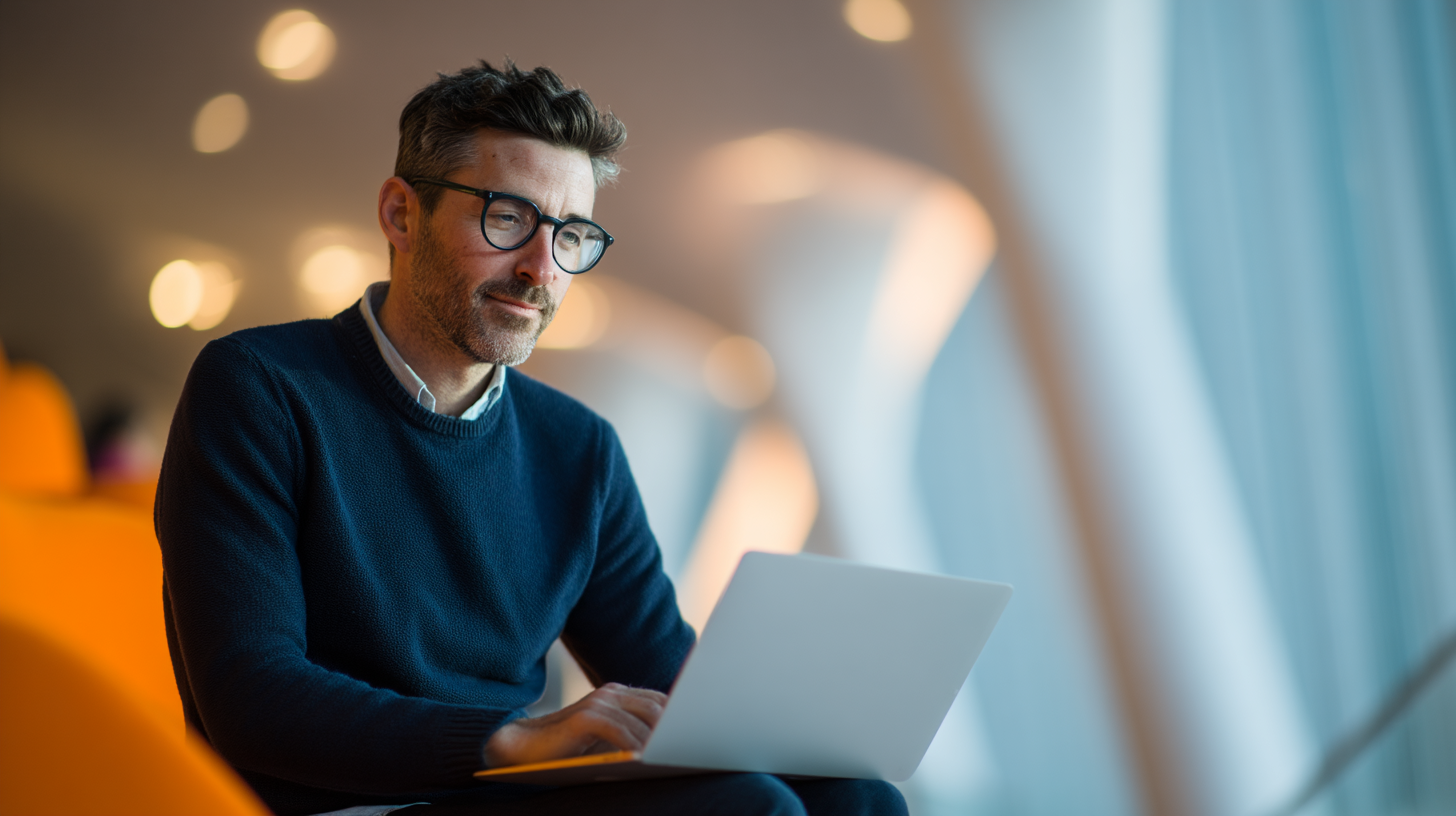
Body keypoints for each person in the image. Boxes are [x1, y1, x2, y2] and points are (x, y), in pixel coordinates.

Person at [155, 61, 907, 816]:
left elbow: (672, 687)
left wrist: (815, 718)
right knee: (744, 807)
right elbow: (252, 696)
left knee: (859, 797)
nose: (540, 270)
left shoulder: (579, 449)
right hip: (341, 802)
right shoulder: (258, 386)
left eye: (570, 234)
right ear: (400, 216)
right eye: (508, 218)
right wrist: (511, 739)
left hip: (505, 789)